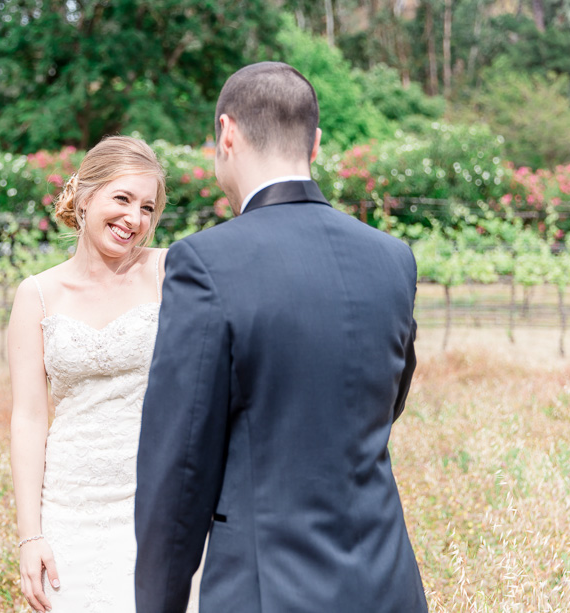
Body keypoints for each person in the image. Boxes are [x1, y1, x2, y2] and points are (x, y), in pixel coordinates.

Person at [135, 62, 427, 612]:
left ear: (227, 133)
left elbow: (178, 465)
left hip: (270, 587)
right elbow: (388, 402)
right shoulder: (392, 258)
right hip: (389, 583)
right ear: (315, 143)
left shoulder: (205, 260)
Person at [8, 135, 170, 612]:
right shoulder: (36, 295)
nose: (134, 219)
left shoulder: (169, 271)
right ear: (83, 197)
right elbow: (29, 419)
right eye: (121, 198)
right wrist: (30, 536)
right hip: (71, 504)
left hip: (157, 501)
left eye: (147, 207)